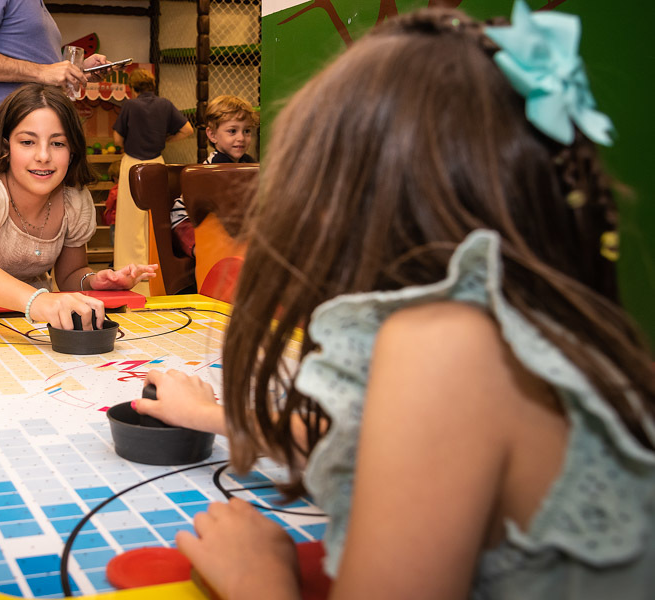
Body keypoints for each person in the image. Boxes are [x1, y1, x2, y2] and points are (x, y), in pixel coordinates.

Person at [133, 4, 655, 599]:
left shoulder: (442, 342)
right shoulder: (515, 320)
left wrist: (257, 577)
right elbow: (366, 429)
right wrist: (208, 416)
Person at [0, 84, 157, 330]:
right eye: (27, 142)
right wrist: (39, 301)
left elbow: (71, 275)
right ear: (6, 147)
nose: (43, 156)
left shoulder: (74, 201)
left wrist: (94, 281)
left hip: (19, 321)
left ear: (72, 151)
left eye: (58, 143)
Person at [0, 0, 108, 139]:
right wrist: (42, 71)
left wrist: (77, 71)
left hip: (35, 138)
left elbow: (41, 68)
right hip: (4, 140)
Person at [112, 69, 193, 293]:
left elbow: (117, 137)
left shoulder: (129, 106)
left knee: (130, 216)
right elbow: (187, 129)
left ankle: (127, 265)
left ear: (132, 88)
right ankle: (153, 263)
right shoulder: (165, 104)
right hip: (157, 162)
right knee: (153, 215)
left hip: (132, 164)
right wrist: (167, 139)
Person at [169, 94, 258, 259]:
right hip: (188, 220)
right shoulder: (213, 167)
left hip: (220, 221)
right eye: (232, 131)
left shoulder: (249, 164)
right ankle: (205, 263)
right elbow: (209, 209)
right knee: (205, 246)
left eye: (246, 131)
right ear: (212, 135)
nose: (241, 138)